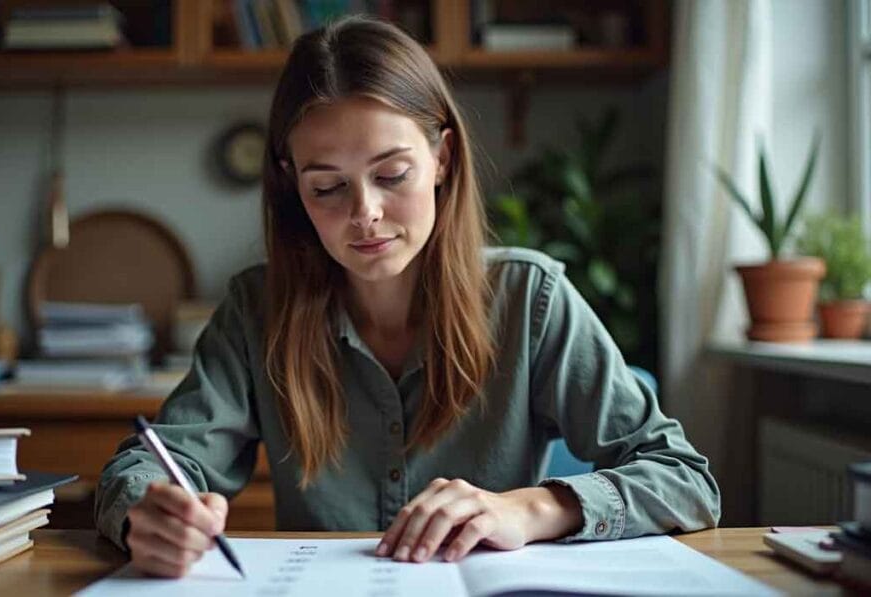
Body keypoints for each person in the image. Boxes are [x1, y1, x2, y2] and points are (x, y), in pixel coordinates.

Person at [94, 16, 720, 578]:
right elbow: (149, 466)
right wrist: (147, 515)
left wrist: (529, 509)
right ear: (291, 186)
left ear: (443, 158)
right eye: (327, 188)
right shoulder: (256, 311)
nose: (365, 213)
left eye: (392, 175)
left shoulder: (531, 297)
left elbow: (685, 480)